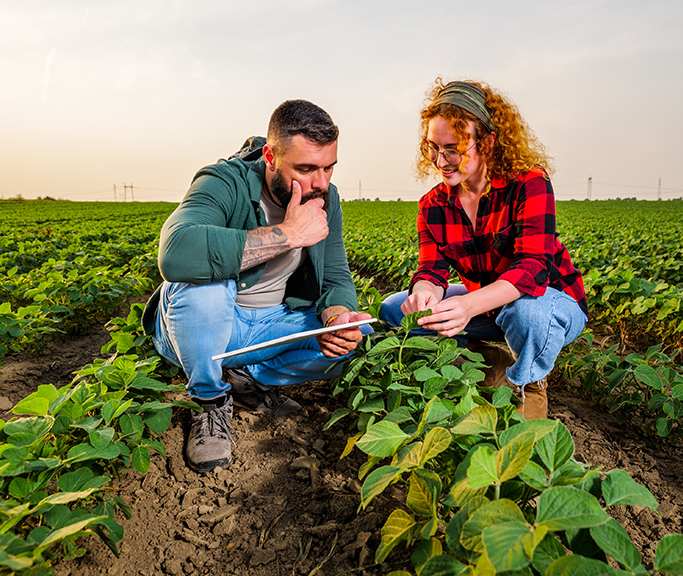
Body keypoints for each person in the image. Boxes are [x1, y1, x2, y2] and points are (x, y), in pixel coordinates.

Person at [142, 99, 372, 473]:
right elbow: (175, 252)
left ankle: (244, 375)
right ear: (270, 157)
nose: (321, 183)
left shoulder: (327, 198)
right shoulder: (223, 181)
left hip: (271, 324)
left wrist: (336, 317)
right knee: (204, 288)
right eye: (306, 168)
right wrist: (289, 233)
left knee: (354, 338)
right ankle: (211, 401)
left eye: (329, 168)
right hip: (207, 323)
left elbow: (335, 277)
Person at [379, 80, 588, 420]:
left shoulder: (528, 183)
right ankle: (491, 364)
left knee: (525, 312)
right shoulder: (433, 205)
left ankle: (529, 386)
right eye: (433, 147)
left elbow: (533, 268)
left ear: (488, 142)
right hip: (487, 305)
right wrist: (423, 293)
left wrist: (466, 305)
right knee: (394, 311)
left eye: (453, 149)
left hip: (549, 302)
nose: (440, 161)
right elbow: (432, 270)